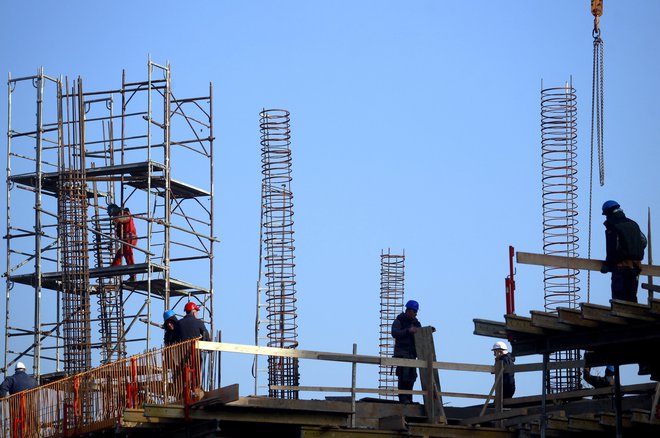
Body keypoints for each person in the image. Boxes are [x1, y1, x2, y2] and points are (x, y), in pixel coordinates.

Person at [600, 200, 647, 303]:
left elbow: (612, 248)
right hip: (635, 266)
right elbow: (643, 241)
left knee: (619, 299)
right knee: (632, 297)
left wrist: (608, 264)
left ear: (608, 213)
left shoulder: (613, 226)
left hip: (621, 268)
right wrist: (633, 251)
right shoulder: (633, 223)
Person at [391, 299, 422, 403]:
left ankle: (409, 398)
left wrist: (428, 331)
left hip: (412, 354)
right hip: (402, 353)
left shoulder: (416, 323)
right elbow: (395, 333)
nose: (415, 314)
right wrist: (408, 331)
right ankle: (403, 398)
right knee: (403, 375)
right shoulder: (399, 320)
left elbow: (420, 333)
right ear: (409, 310)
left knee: (411, 376)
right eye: (414, 311)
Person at [108, 203, 138, 281]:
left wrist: (117, 220)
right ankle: (113, 269)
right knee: (120, 253)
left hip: (129, 237)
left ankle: (133, 274)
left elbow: (126, 218)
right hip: (126, 238)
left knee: (127, 254)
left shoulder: (124, 213)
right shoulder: (119, 216)